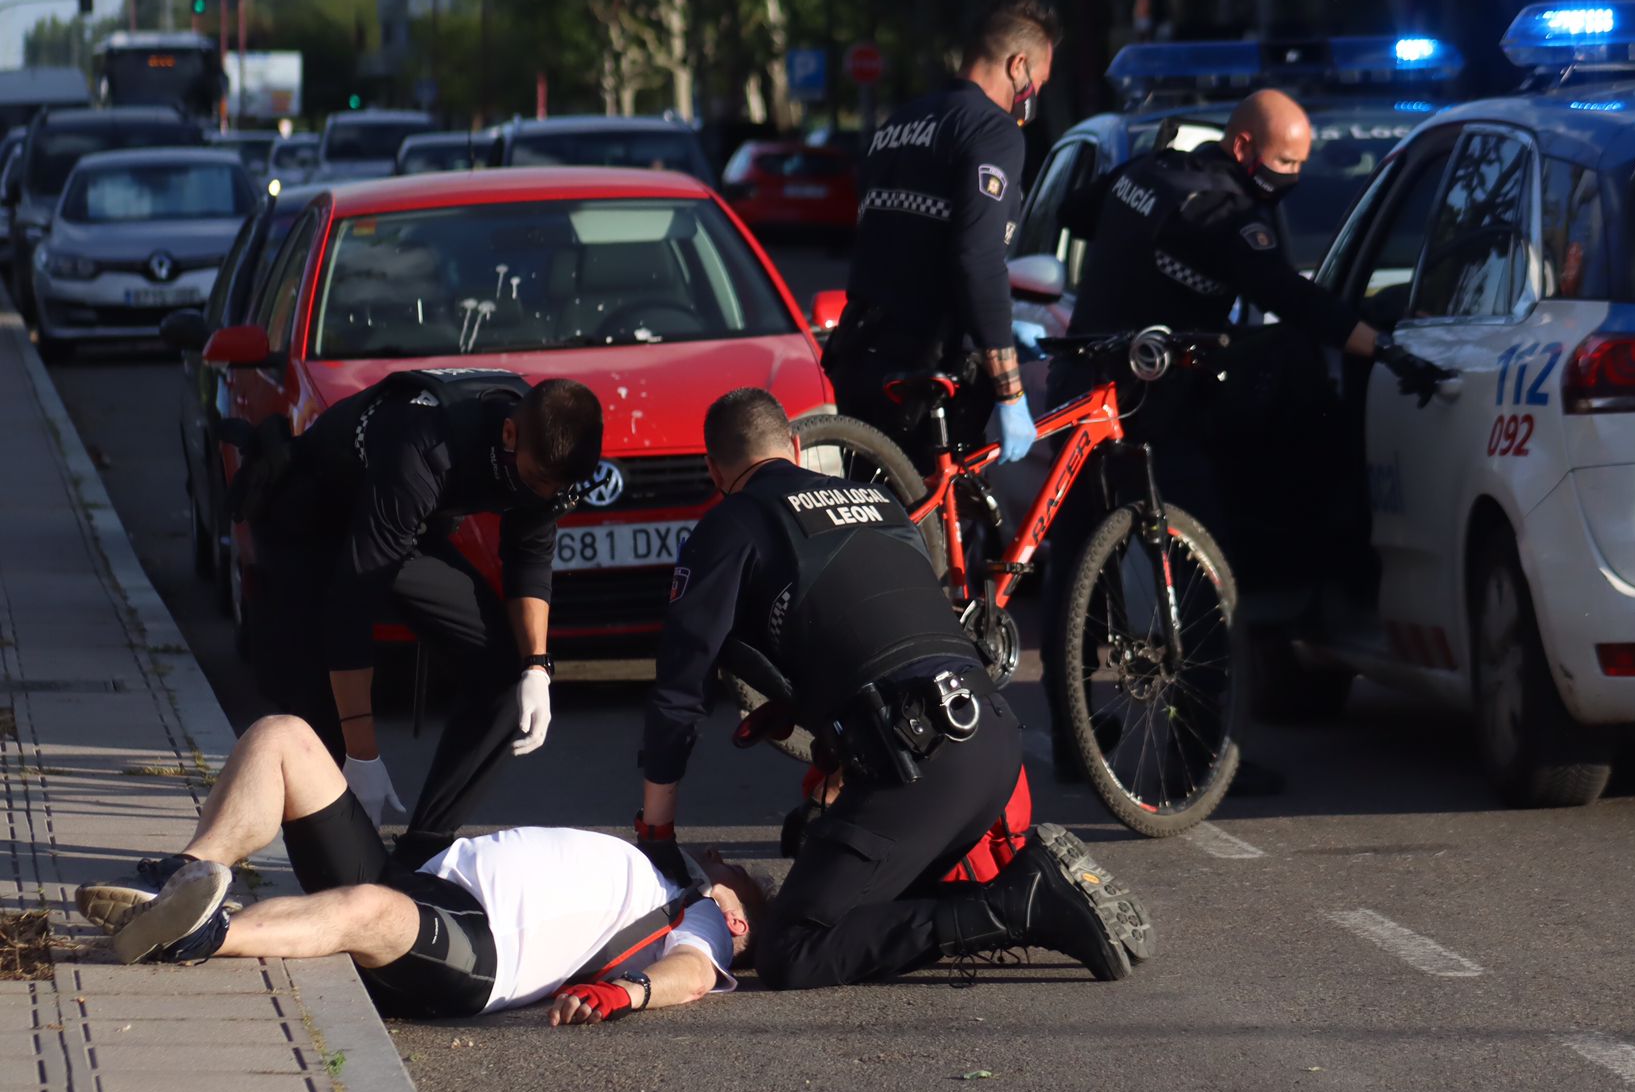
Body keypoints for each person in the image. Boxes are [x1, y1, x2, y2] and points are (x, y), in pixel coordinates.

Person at [636, 386, 1154, 989]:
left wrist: (657, 833)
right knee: (865, 913)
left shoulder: (730, 524)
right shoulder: (879, 501)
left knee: (792, 950)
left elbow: (679, 691)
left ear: (712, 470)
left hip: (920, 767)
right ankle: (1017, 893)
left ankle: (1018, 905)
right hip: (991, 741)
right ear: (797, 447)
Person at [1043, 89, 1445, 789]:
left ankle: (1074, 743)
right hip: (1154, 408)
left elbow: (1075, 214)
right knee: (1203, 571)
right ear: (1241, 150)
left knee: (1074, 560)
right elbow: (1295, 299)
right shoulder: (1225, 215)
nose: (1291, 178)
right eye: (1285, 163)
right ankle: (1200, 756)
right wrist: (1381, 349)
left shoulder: (1148, 172)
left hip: (1082, 384)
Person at [75, 715, 768, 1026]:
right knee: (283, 736)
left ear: (736, 915)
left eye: (733, 870)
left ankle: (199, 934)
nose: (722, 863)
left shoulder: (699, 919)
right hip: (425, 883)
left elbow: (696, 977)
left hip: (480, 954)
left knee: (364, 912)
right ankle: (190, 875)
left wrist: (628, 997)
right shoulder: (665, 878)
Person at [237, 368, 604, 866]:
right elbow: (352, 606)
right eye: (537, 480)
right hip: (312, 523)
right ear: (510, 435)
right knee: (319, 721)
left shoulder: (548, 455)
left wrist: (537, 666)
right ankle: (331, 870)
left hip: (399, 527)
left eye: (553, 487)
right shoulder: (424, 445)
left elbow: (530, 561)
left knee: (503, 675)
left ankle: (421, 852)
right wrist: (362, 756)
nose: (543, 494)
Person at [825, 0, 1061, 469]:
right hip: (924, 371)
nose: (1033, 95)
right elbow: (977, 257)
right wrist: (1010, 390)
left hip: (859, 353)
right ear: (1018, 67)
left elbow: (896, 241)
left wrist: (993, 323)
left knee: (874, 515)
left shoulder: (899, 122)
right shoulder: (994, 131)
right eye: (1037, 83)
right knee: (928, 530)